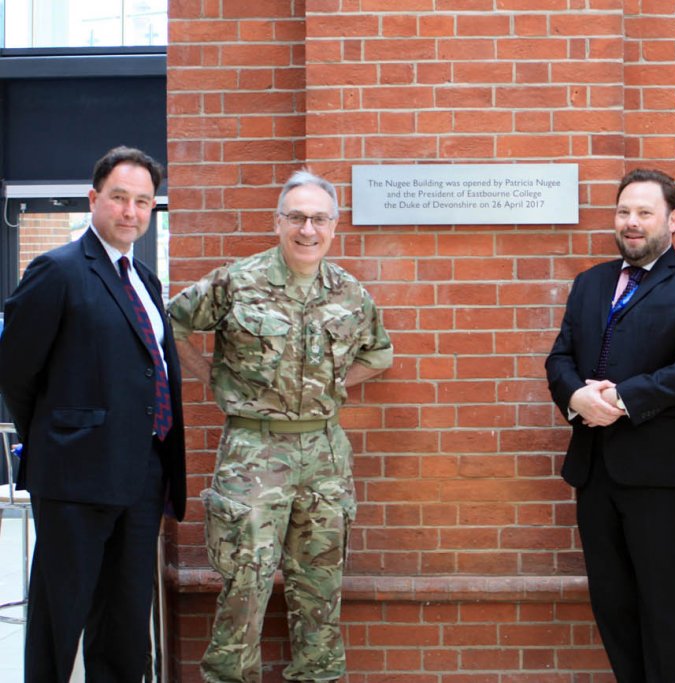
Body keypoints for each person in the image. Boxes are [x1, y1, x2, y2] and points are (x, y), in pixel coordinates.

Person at [168, 169, 393, 682]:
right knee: (244, 584)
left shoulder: (350, 294)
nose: (307, 229)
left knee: (319, 585)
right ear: (278, 222)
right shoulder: (235, 282)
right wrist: (211, 376)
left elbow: (380, 354)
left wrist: (334, 385)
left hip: (324, 453)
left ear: (334, 227)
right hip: (252, 450)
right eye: (296, 217)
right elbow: (172, 323)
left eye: (318, 219)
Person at [0, 146, 187, 681]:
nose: (131, 212)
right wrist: (62, 434)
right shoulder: (56, 271)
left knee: (126, 617)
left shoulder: (145, 280)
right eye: (120, 198)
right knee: (62, 615)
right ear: (94, 198)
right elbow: (15, 371)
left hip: (141, 475)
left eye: (143, 202)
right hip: (76, 475)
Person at [546, 168, 675, 682]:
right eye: (624, 211)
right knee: (612, 604)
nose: (632, 222)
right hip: (594, 469)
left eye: (644, 213)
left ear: (673, 220)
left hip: (661, 476)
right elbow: (559, 358)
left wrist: (621, 399)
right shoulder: (590, 284)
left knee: (664, 605)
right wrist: (578, 396)